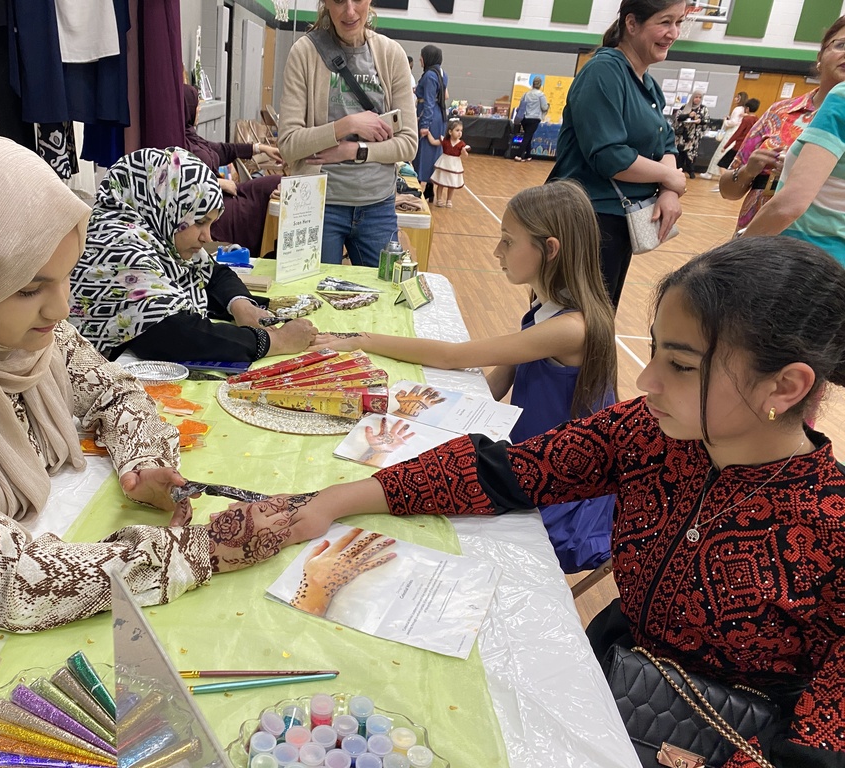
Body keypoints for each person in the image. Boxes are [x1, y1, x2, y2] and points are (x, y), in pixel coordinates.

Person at [259, 236, 845, 768]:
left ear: (785, 387)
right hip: (613, 681)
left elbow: (818, 745)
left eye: (682, 365)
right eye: (658, 355)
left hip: (730, 743)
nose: (648, 382)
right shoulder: (652, 433)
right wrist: (346, 496)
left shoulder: (831, 527)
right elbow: (511, 471)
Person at [0, 137, 306, 676]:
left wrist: (141, 462)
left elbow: (114, 389)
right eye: (30, 287)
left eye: (67, 275)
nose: (63, 305)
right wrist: (204, 548)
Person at [310, 181, 618, 573]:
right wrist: (425, 413)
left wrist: (360, 340)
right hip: (526, 458)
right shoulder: (544, 306)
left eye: (508, 241)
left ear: (551, 249)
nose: (497, 252)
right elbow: (495, 386)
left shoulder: (571, 328)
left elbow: (455, 357)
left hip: (559, 494)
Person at [69, 147, 316, 363]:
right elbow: (173, 334)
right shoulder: (116, 245)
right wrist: (275, 341)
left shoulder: (159, 236)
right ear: (165, 207)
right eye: (199, 222)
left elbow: (214, 273)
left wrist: (240, 305)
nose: (207, 237)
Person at [548, 0, 687, 309]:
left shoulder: (647, 83)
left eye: (678, 23)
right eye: (665, 22)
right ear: (632, 23)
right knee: (567, 325)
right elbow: (609, 156)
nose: (673, 33)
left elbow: (665, 144)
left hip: (619, 222)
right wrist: (669, 177)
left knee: (595, 323)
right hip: (585, 221)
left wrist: (669, 190)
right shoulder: (604, 71)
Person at [278, 0, 418, 267]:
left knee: (383, 299)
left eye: (358, 0)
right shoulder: (304, 53)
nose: (350, 12)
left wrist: (355, 151)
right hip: (315, 206)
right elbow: (288, 144)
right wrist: (347, 125)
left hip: (377, 206)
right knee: (310, 301)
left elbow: (408, 144)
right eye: (340, 1)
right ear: (326, 3)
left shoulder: (391, 54)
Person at [720, 15, 845, 232]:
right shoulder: (779, 112)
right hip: (756, 241)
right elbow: (728, 190)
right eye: (841, 45)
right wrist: (749, 170)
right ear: (821, 55)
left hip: (823, 243)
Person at [741, 79, 845, 265]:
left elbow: (789, 206)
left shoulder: (842, 96)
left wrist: (733, 257)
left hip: (805, 259)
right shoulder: (778, 110)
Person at [180, 84, 283, 258]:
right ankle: (269, 253)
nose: (199, 110)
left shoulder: (192, 136)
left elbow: (223, 150)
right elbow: (182, 179)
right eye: (196, 106)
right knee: (253, 208)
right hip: (208, 202)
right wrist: (217, 183)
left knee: (277, 183)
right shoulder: (176, 141)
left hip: (223, 192)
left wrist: (260, 148)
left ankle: (281, 251)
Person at [414, 45, 448, 200]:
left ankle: (416, 188)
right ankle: (430, 187)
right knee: (434, 153)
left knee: (422, 153)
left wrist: (425, 125)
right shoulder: (442, 73)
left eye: (422, 56)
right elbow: (444, 95)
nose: (420, 59)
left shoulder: (429, 75)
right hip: (439, 114)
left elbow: (428, 102)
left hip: (428, 115)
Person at [699, 90, 748, 180]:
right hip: (736, 132)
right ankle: (718, 173)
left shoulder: (737, 109)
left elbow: (733, 122)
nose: (735, 99)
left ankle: (710, 172)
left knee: (720, 151)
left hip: (731, 132)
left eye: (737, 97)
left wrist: (725, 121)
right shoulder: (743, 110)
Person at [424, 117, 469, 207]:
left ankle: (449, 200)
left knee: (451, 184)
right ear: (450, 132)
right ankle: (439, 199)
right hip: (444, 163)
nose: (460, 132)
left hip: (454, 165)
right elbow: (433, 142)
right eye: (457, 130)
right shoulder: (445, 141)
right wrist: (428, 133)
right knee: (441, 182)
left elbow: (466, 155)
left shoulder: (461, 144)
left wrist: (464, 152)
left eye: (461, 130)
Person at [673, 90, 709, 178]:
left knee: (691, 153)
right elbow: (678, 118)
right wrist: (688, 115)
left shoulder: (703, 109)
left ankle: (691, 171)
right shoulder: (685, 107)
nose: (697, 99)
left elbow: (707, 121)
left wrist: (700, 121)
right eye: (696, 97)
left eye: (700, 98)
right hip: (683, 135)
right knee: (680, 152)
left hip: (694, 136)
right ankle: (679, 169)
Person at [514, 76, 549, 162]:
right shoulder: (541, 95)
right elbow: (544, 107)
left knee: (528, 135)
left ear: (532, 84)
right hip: (534, 118)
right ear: (540, 85)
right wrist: (548, 106)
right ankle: (518, 155)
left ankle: (528, 155)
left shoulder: (526, 94)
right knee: (527, 136)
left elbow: (521, 105)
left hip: (525, 118)